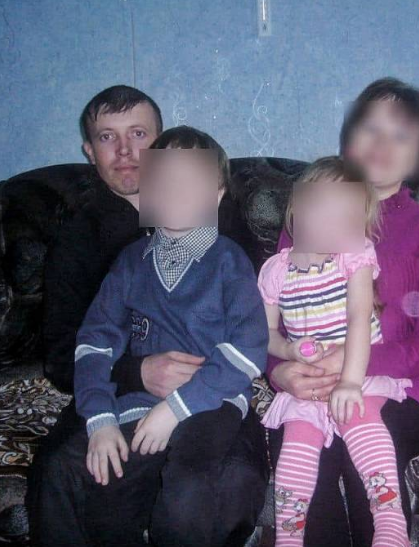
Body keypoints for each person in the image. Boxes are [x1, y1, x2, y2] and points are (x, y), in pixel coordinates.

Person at [27, 98, 269, 546]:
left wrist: (177, 405)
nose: (124, 150)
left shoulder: (226, 248)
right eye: (107, 137)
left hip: (211, 394)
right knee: (86, 481)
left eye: (137, 134)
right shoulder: (106, 248)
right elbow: (84, 345)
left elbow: (252, 337)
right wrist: (108, 408)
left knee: (203, 488)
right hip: (127, 394)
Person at [267, 78, 419, 546]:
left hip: (415, 383)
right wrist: (280, 372)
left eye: (401, 135)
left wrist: (355, 365)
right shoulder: (306, 221)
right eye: (371, 128)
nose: (382, 143)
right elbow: (274, 317)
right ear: (348, 138)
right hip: (314, 377)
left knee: (368, 434)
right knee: (297, 447)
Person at [258, 156, 412, 547]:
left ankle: (390, 523)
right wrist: (289, 349)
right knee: (296, 444)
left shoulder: (354, 257)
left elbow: (361, 319)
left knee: (361, 421)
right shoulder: (275, 271)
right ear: (297, 207)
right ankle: (289, 538)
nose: (333, 225)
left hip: (356, 367)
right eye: (324, 209)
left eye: (347, 218)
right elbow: (265, 333)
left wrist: (350, 382)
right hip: (309, 379)